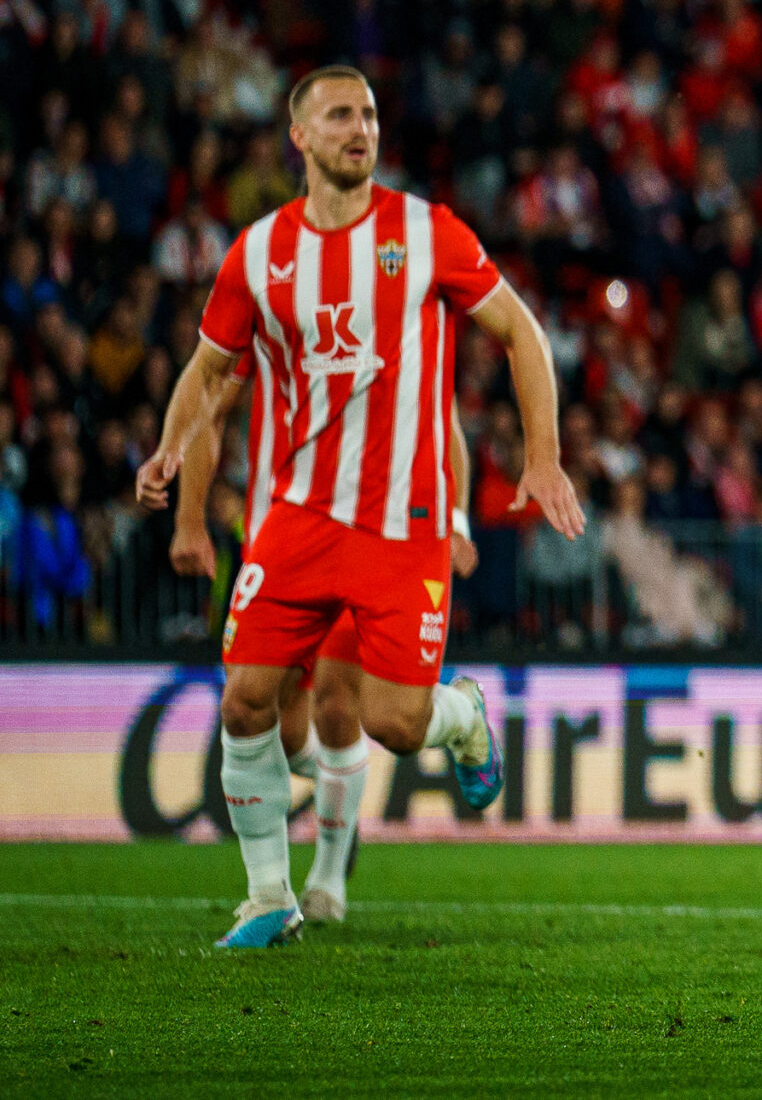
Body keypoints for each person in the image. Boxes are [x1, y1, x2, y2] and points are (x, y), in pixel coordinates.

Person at [136, 65, 585, 951]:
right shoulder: (259, 253)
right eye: (341, 114)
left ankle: (462, 716)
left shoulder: (427, 232)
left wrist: (543, 457)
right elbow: (210, 372)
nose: (361, 128)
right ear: (298, 136)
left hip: (401, 525)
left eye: (371, 114)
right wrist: (171, 445)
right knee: (245, 701)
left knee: (390, 722)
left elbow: (520, 330)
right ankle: (271, 893)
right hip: (296, 517)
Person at [171, 346, 477, 926]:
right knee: (277, 728)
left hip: (366, 540)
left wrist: (455, 519)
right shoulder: (275, 313)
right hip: (279, 544)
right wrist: (192, 513)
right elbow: (208, 406)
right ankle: (345, 796)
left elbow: (444, 420)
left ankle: (327, 882)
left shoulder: (391, 316)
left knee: (339, 706)